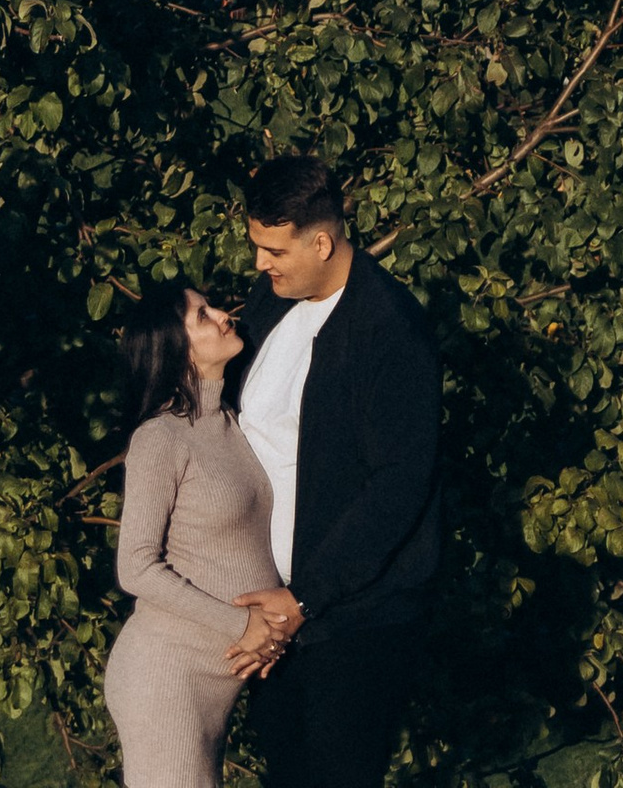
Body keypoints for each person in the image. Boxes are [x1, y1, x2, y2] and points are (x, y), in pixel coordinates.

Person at [227, 154, 440, 788]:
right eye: (257, 247)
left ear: (323, 241)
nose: (261, 264)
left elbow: (400, 484)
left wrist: (305, 597)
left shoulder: (389, 332)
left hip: (354, 616)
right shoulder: (272, 304)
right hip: (277, 606)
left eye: (274, 250)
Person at [103, 281, 282, 788]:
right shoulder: (161, 437)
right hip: (166, 677)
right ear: (176, 351)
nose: (225, 315)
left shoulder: (231, 423)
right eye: (203, 316)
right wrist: (240, 625)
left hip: (213, 681)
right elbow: (135, 566)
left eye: (213, 307)